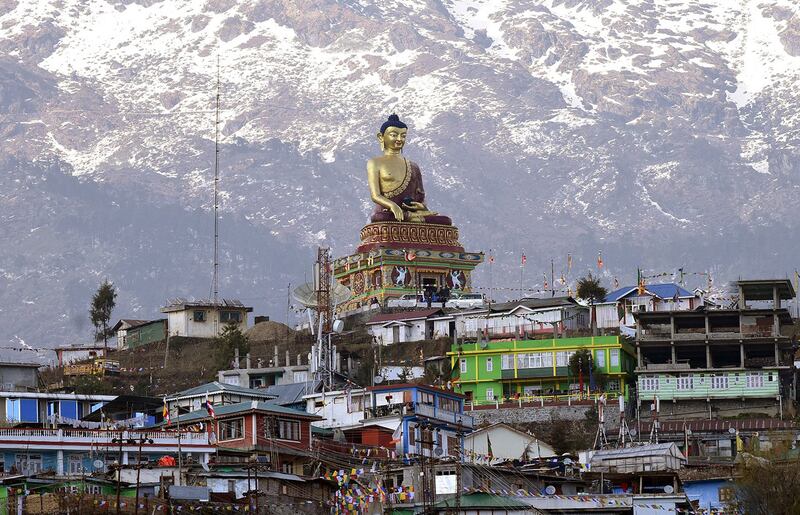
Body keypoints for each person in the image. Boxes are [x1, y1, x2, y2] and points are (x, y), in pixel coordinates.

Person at [366, 114, 451, 225]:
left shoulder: (413, 166)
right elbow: (375, 195)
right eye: (394, 135)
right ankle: (411, 221)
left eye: (403, 136)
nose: (399, 139)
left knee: (445, 221)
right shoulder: (375, 163)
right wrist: (393, 206)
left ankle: (412, 221)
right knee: (380, 218)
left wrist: (421, 207)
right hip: (388, 214)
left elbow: (420, 199)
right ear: (381, 137)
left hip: (411, 214)